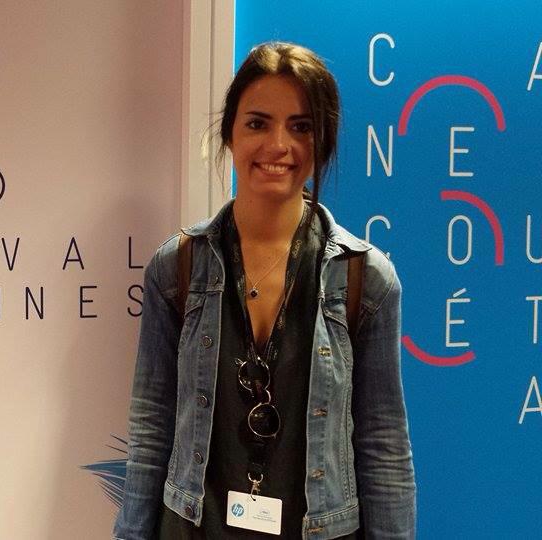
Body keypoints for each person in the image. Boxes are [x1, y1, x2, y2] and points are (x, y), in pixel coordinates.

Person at [115, 42, 416, 539]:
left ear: (323, 141)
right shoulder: (177, 268)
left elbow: (383, 445)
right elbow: (151, 428)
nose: (279, 145)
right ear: (230, 132)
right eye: (258, 123)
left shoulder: (365, 279)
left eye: (301, 127)